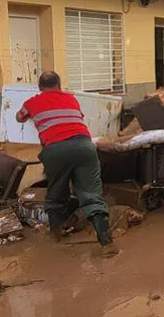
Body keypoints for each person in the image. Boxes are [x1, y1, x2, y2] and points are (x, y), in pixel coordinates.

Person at [15, 72, 118, 257]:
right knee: (92, 195)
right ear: (59, 85)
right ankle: (107, 243)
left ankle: (56, 238)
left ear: (39, 87)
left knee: (55, 194)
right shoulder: (71, 99)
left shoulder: (32, 102)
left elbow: (19, 117)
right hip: (85, 147)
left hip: (55, 150)